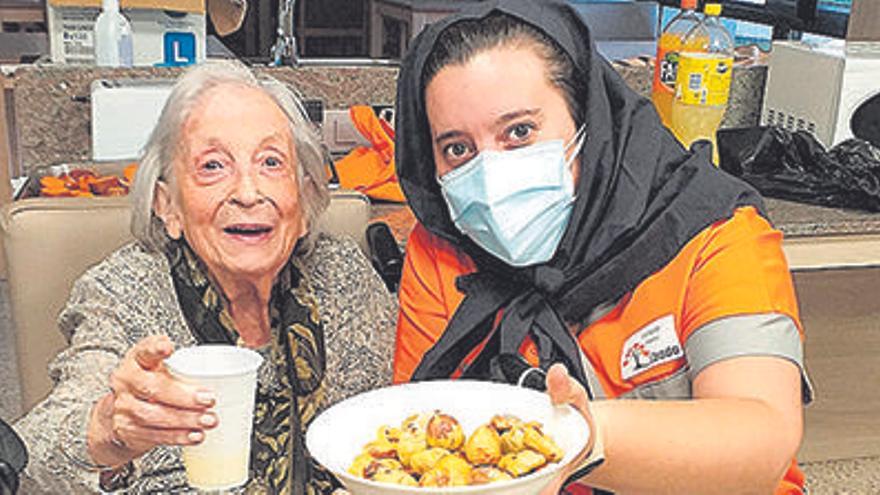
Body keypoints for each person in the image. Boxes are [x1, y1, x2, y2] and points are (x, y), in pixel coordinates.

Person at [393, 1, 810, 493]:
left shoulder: (712, 233)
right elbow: (421, 433)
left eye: (520, 132)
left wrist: (581, 437)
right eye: (457, 148)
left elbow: (761, 434)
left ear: (590, 122)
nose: (487, 172)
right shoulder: (442, 253)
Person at [15, 60, 397, 494]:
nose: (248, 193)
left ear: (306, 199)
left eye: (271, 162)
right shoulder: (123, 293)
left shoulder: (344, 276)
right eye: (213, 166)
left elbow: (403, 421)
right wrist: (110, 430)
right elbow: (34, 454)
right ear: (167, 205)